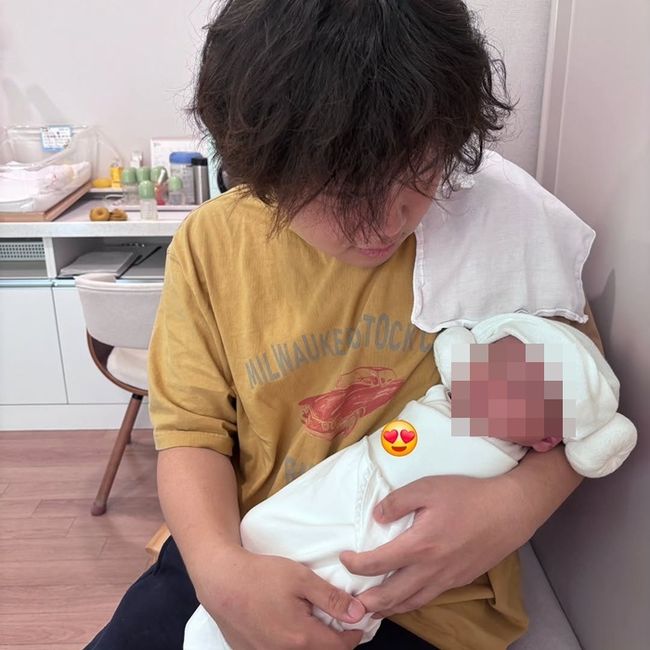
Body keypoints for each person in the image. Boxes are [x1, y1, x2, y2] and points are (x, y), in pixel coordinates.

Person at [85, 1, 610, 649]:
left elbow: (588, 408)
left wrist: (512, 509)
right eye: (341, 195)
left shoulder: (507, 223)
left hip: (430, 593)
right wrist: (219, 572)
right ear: (264, 171)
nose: (387, 222)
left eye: (419, 173)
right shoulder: (214, 243)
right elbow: (192, 435)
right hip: (251, 543)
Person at [182, 313, 637, 649]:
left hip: (396, 548)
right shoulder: (445, 398)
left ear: (547, 438)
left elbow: (574, 438)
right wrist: (217, 567)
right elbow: (189, 429)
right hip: (337, 485)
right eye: (491, 366)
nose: (492, 384)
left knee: (340, 590)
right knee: (267, 533)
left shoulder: (504, 454)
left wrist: (517, 500)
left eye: (520, 390)